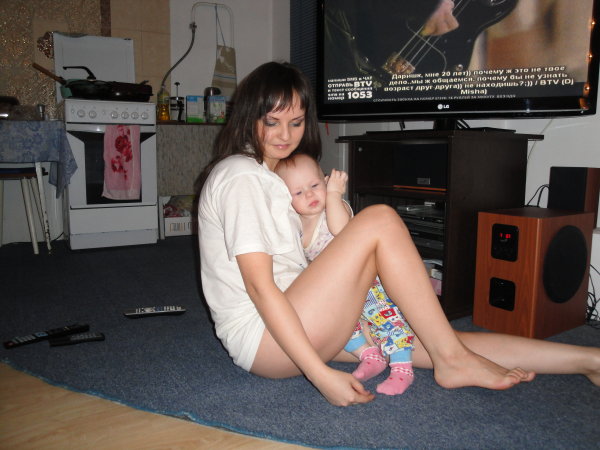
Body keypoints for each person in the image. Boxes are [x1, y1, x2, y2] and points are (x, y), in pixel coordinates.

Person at [197, 61, 600, 407]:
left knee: (427, 338)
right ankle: (452, 360)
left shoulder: (270, 177)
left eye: (296, 122)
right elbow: (260, 288)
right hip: (265, 338)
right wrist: (320, 375)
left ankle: (589, 361)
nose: (285, 134)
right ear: (248, 117)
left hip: (298, 318)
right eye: (271, 122)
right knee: (380, 220)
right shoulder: (241, 175)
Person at [274, 153, 416, 395]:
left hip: (366, 280)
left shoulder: (335, 208)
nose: (309, 195)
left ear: (326, 181)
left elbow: (341, 230)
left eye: (315, 185)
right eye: (298, 192)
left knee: (386, 319)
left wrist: (334, 195)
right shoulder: (296, 225)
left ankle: (403, 368)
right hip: (336, 291)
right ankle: (368, 355)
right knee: (338, 327)